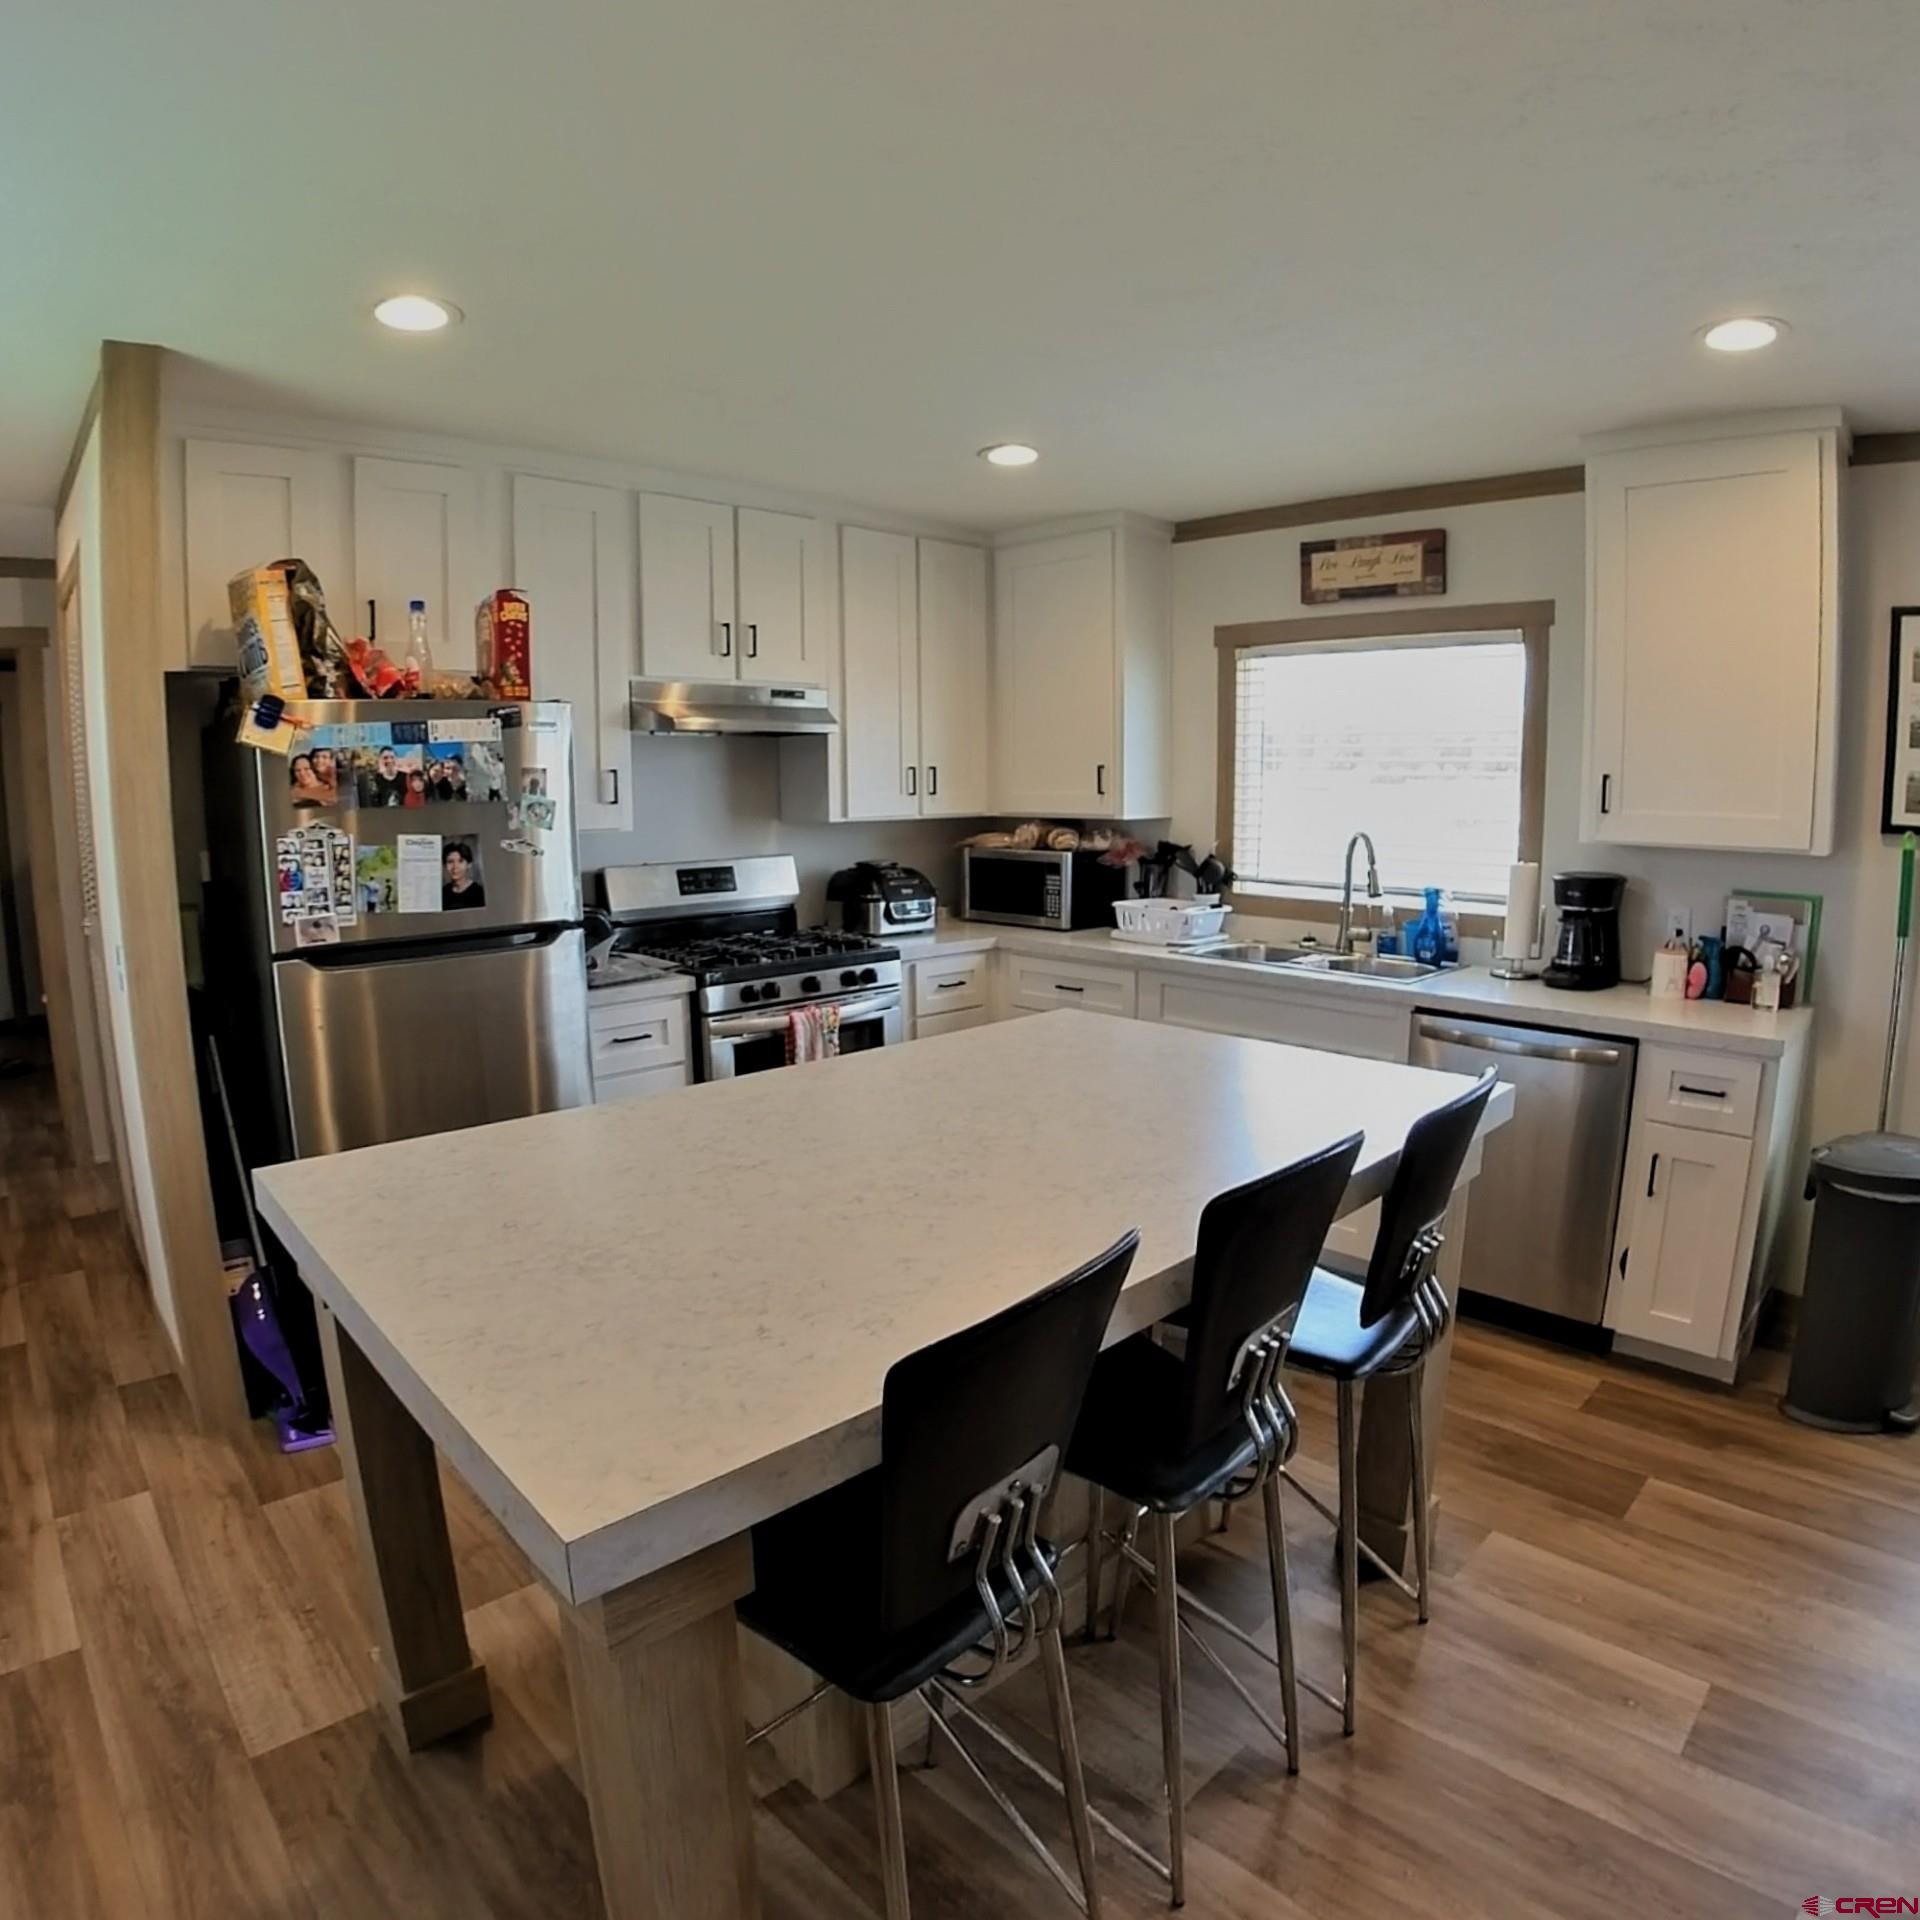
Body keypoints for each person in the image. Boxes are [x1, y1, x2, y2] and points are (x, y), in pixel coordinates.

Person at [442, 840, 485, 910]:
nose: (455, 867)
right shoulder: (442, 893)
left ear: (469, 864)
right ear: (444, 865)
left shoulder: (479, 893)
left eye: (460, 861)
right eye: (450, 862)